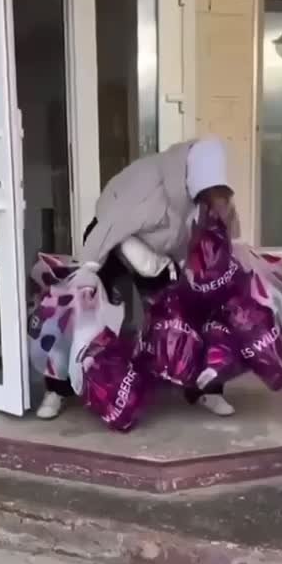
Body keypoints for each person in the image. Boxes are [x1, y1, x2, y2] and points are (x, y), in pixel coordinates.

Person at [37, 136, 240, 420]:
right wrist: (87, 268)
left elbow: (209, 239)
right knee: (79, 307)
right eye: (209, 194)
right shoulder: (150, 188)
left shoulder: (206, 198)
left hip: (157, 253)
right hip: (109, 239)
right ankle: (57, 389)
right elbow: (110, 226)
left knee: (189, 310)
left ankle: (206, 388)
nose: (211, 201)